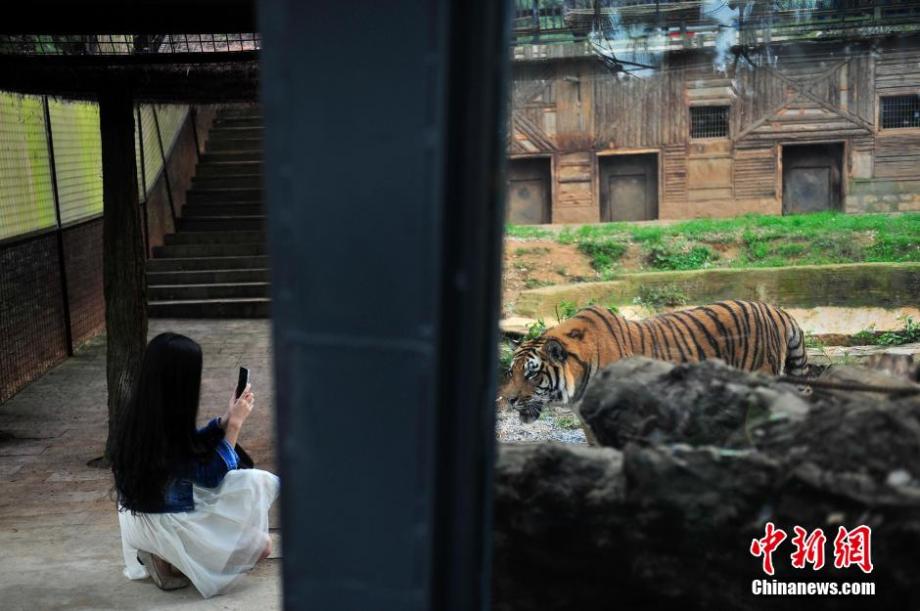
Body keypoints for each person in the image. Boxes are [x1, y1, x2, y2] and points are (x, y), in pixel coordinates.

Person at [111, 332, 280, 598]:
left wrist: (224, 420)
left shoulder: (144, 416)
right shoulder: (162, 429)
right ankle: (167, 558)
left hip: (146, 515)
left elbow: (187, 449)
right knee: (262, 547)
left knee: (253, 481)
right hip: (168, 524)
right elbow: (211, 475)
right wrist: (235, 425)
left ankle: (165, 556)